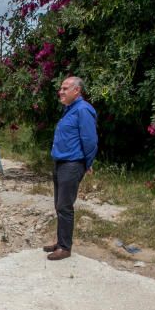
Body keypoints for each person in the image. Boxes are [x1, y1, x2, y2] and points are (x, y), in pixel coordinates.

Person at [44, 76, 97, 261]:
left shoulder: (83, 110)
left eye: (65, 88)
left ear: (77, 91)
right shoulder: (69, 110)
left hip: (72, 164)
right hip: (60, 163)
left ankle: (65, 248)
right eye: (61, 88)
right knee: (59, 205)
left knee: (65, 206)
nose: (61, 91)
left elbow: (90, 140)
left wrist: (87, 163)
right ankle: (60, 241)